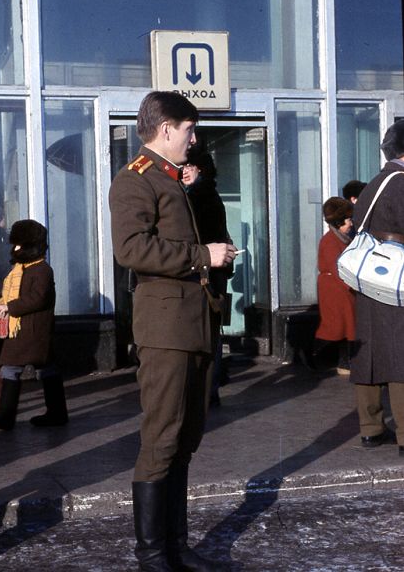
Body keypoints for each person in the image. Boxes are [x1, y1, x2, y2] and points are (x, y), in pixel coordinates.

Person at [109, 91, 236, 572]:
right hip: (165, 329)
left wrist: (215, 249)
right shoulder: (136, 178)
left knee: (185, 439)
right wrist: (204, 256)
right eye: (189, 129)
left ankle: (176, 546)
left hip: (196, 322)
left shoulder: (174, 179)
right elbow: (131, 249)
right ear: (166, 129)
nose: (194, 139)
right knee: (162, 439)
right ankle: (152, 555)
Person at [350, 119, 404, 455]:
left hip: (369, 277)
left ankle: (370, 428)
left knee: (369, 349)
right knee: (400, 351)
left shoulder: (373, 184)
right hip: (398, 277)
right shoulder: (402, 184)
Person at [0, 219, 68, 430]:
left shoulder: (42, 270)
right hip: (23, 331)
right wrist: (1, 306)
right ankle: (55, 412)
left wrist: (9, 307)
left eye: (19, 244)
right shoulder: (20, 270)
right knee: (40, 368)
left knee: (15, 368)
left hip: (32, 331)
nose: (15, 249)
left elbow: (38, 298)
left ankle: (7, 415)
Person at [183, 146, 233, 407]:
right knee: (212, 331)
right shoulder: (208, 194)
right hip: (213, 272)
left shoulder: (197, 196)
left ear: (200, 170)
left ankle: (207, 388)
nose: (184, 171)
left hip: (205, 274)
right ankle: (211, 386)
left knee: (206, 333)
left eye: (189, 167)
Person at [313, 197, 356, 374]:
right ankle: (311, 352)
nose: (351, 223)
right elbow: (336, 268)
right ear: (339, 222)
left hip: (341, 289)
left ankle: (344, 363)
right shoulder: (330, 241)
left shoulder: (343, 238)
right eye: (348, 220)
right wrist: (352, 286)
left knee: (347, 327)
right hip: (334, 290)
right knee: (335, 326)